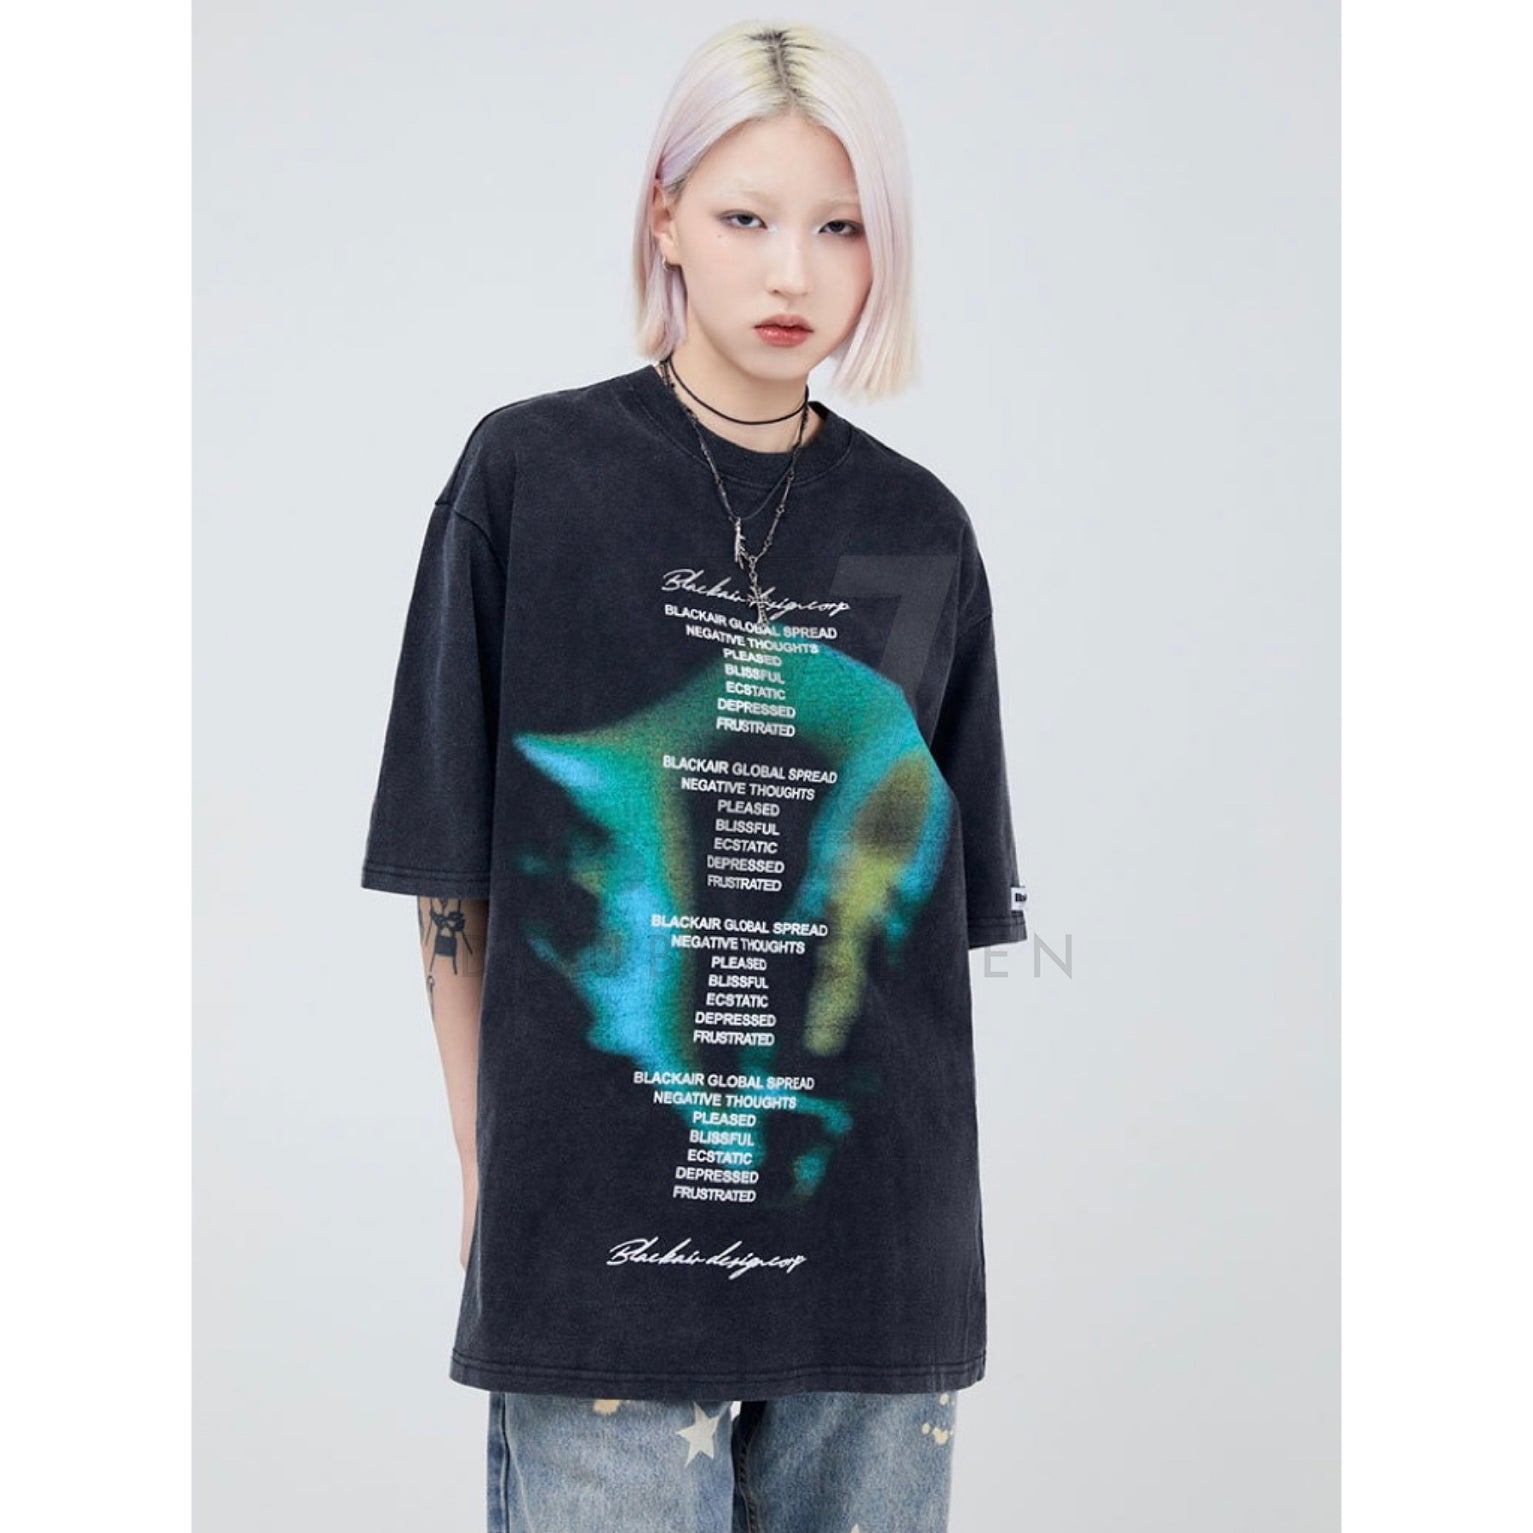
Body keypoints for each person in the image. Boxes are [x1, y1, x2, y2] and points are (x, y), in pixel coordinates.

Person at [360, 18, 1030, 1532]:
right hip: (594, 1246)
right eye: (744, 218)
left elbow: (931, 920)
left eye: (841, 227)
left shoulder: (919, 531)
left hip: (874, 1262)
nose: (794, 273)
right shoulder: (528, 479)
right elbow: (451, 875)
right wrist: (484, 1167)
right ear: (662, 218)